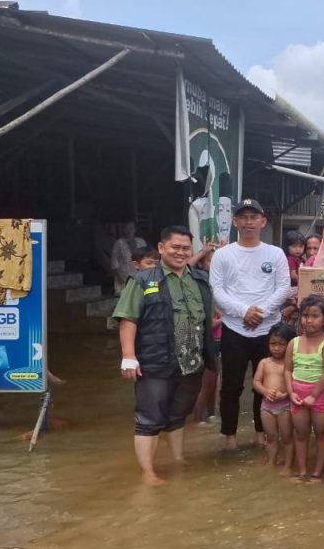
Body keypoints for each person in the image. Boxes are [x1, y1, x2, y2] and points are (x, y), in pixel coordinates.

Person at [113, 225, 216, 486]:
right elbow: (127, 318)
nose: (180, 253)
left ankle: (178, 460)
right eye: (175, 247)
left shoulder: (200, 280)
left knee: (178, 413)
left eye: (185, 248)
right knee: (149, 417)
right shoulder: (143, 280)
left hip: (192, 361)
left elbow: (209, 316)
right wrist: (128, 355)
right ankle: (148, 473)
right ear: (161, 248)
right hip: (155, 359)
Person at [210, 198, 291, 450]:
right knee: (231, 387)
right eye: (243, 217)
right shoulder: (222, 254)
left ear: (262, 221)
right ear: (235, 221)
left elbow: (283, 288)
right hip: (234, 329)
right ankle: (229, 437)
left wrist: (263, 312)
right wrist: (245, 311)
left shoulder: (275, 253)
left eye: (253, 217)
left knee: (267, 386)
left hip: (269, 331)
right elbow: (217, 290)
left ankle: (261, 433)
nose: (248, 222)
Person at [287, 294, 324, 481]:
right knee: (300, 433)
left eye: (315, 316)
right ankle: (302, 470)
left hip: (319, 396)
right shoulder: (294, 342)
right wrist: (291, 392)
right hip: (297, 395)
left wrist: (314, 396)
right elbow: (287, 370)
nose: (309, 320)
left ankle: (317, 472)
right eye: (305, 315)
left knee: (322, 433)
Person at [252, 323, 296, 469]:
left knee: (287, 438)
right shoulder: (264, 363)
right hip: (266, 407)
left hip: (285, 406)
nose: (276, 348)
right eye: (273, 344)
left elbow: (296, 384)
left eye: (281, 344)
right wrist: (264, 391)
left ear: (290, 344)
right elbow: (256, 382)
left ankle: (287, 466)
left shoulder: (291, 364)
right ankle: (271, 463)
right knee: (270, 437)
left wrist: (286, 394)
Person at [192, 245, 222, 425]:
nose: (214, 265)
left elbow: (216, 310)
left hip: (218, 340)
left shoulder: (212, 286)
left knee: (214, 383)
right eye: (210, 261)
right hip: (207, 340)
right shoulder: (197, 283)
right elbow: (208, 322)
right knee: (206, 384)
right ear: (201, 264)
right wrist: (224, 320)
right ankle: (197, 420)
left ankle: (211, 415)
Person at [111, 221, 147, 295]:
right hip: (123, 278)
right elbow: (114, 262)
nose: (128, 230)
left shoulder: (141, 242)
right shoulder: (119, 243)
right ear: (123, 230)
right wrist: (119, 276)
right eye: (126, 228)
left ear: (135, 229)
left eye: (131, 228)